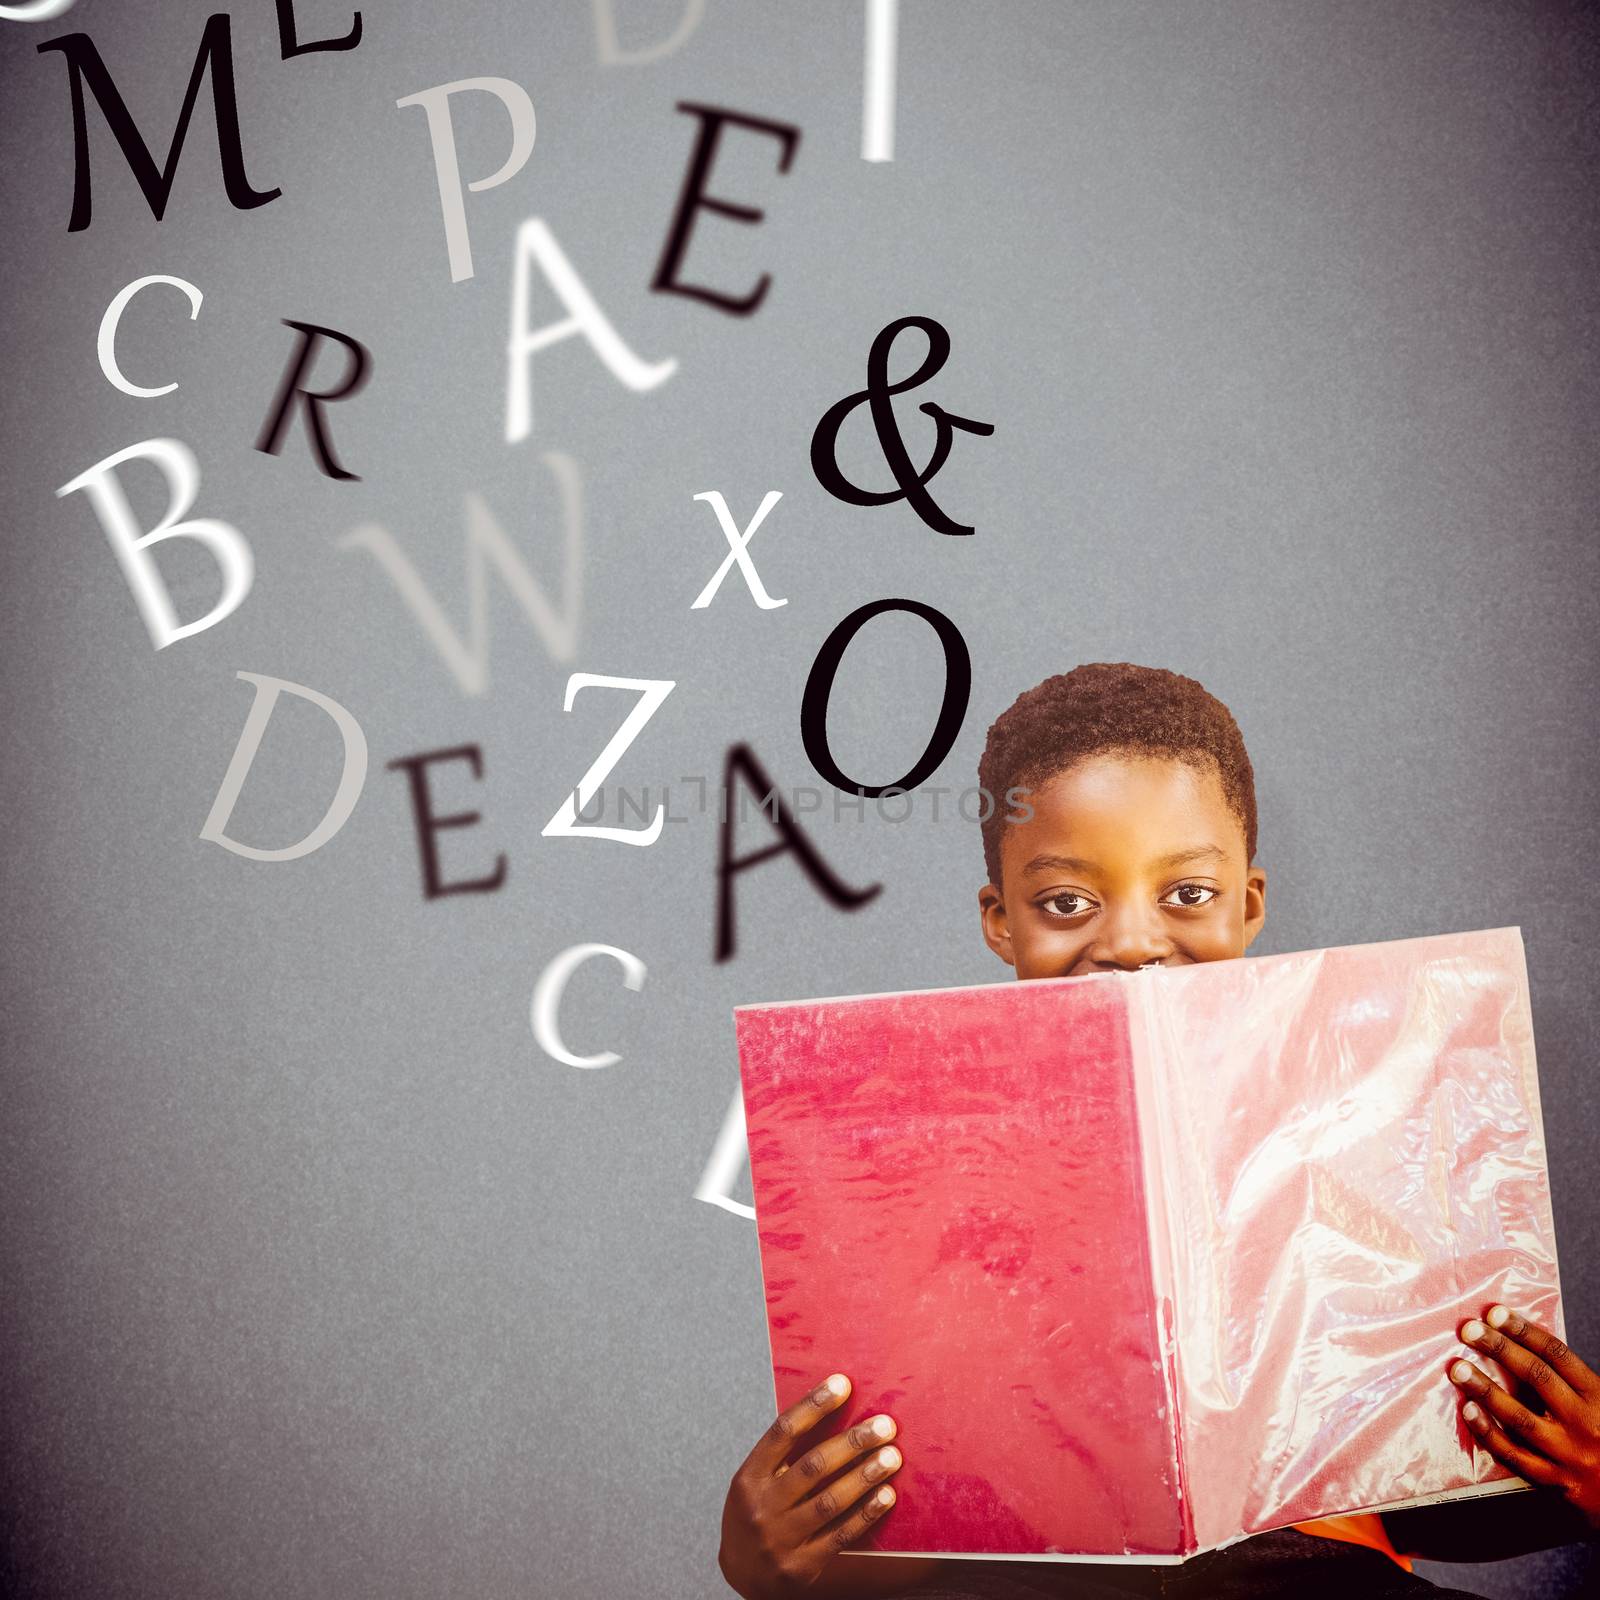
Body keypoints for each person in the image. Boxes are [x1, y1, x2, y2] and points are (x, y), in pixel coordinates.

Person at [717, 664, 1600, 1598]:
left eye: (1186, 894)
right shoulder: (910, 1175)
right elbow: (918, 1545)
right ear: (1000, 923)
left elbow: (1452, 1486)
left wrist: (1585, 1475)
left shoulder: (1375, 1118)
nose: (1133, 942)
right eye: (1066, 901)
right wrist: (769, 1560)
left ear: (1248, 904)